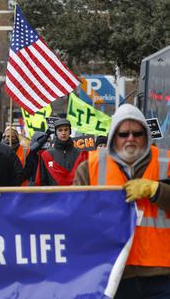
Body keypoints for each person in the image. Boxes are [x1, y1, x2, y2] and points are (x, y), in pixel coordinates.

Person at [73, 104, 169, 298]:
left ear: (146, 135)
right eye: (123, 134)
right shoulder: (89, 168)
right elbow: (76, 217)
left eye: (137, 133)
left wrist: (156, 189)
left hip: (162, 273)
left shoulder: (166, 163)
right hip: (113, 274)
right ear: (113, 136)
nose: (131, 138)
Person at [35, 119, 87, 186]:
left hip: (75, 194)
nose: (63, 133)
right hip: (54, 195)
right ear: (56, 133)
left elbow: (84, 179)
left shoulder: (80, 154)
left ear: (70, 132)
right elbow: (42, 180)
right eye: (60, 130)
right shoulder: (46, 155)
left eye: (66, 130)